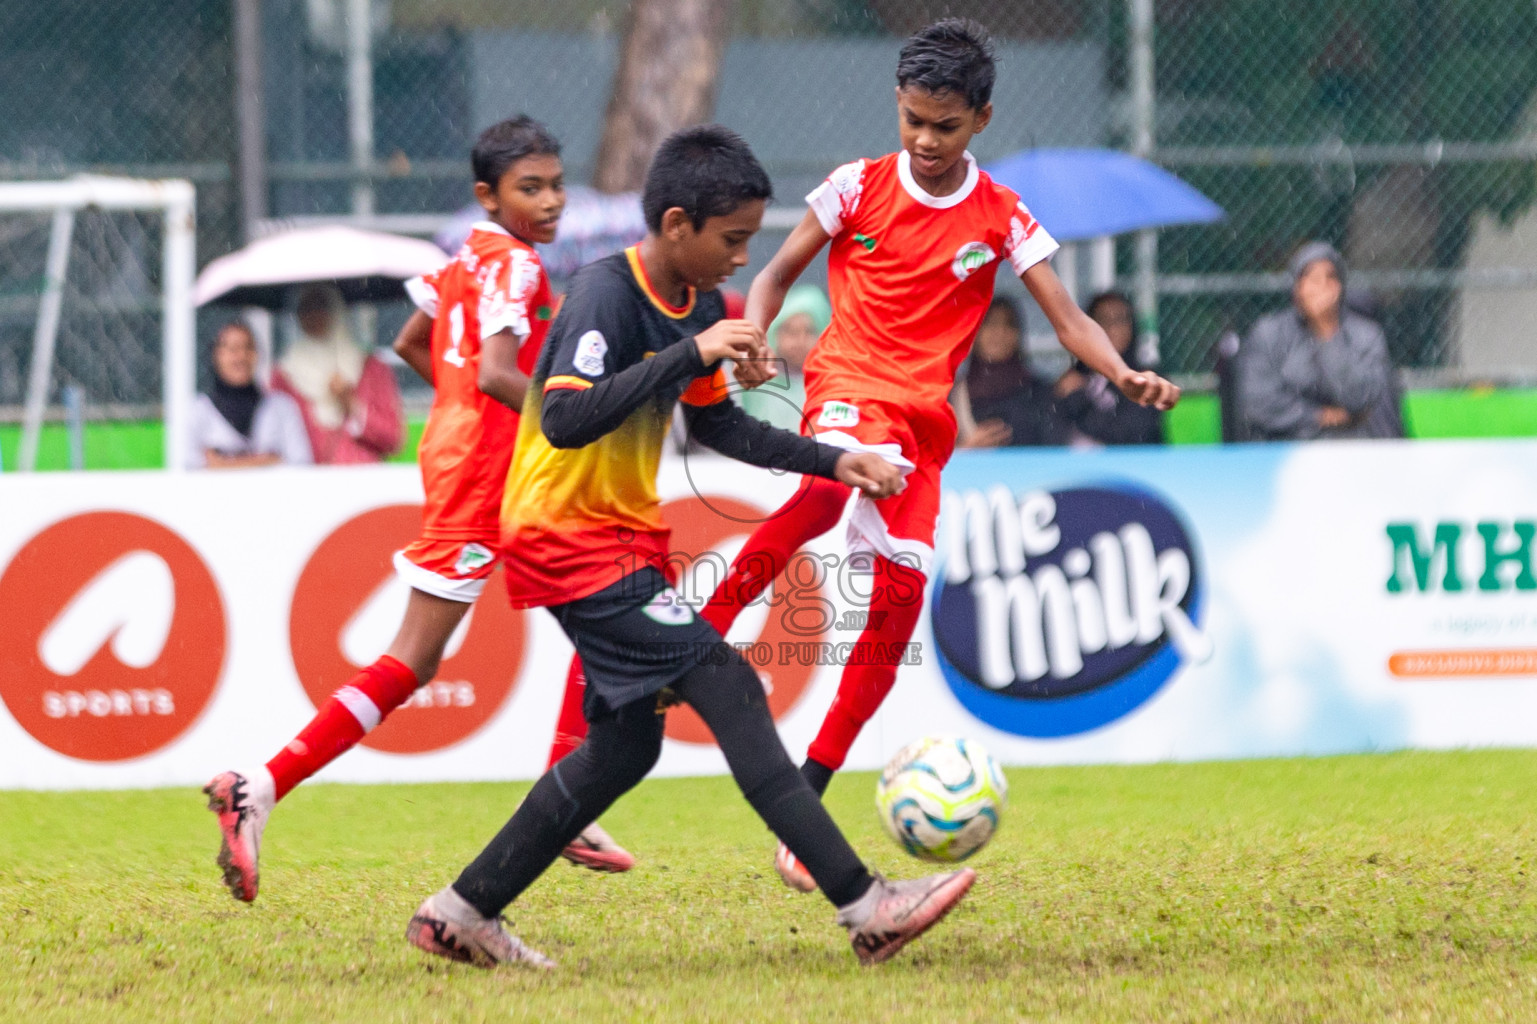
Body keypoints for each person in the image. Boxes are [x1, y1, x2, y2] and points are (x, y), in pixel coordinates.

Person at [405, 125, 975, 970]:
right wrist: (689, 352)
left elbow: (719, 426)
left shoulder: (701, 306)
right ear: (677, 225)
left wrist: (835, 459)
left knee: (626, 745)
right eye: (733, 240)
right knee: (726, 681)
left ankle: (460, 912)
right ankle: (865, 905)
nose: (744, 260)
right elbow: (560, 419)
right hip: (565, 540)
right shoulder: (604, 295)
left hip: (618, 539)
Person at [712, 19, 1181, 892]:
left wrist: (1121, 371)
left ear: (981, 119)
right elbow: (774, 274)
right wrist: (755, 334)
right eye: (912, 121)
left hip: (926, 427)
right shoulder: (855, 187)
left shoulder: (999, 216)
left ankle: (806, 797)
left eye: (945, 126)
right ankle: (700, 631)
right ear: (897, 105)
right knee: (826, 485)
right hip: (849, 386)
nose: (925, 142)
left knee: (894, 616)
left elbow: (1066, 318)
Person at [203, 116, 630, 905]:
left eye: (555, 185)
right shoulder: (517, 270)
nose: (549, 201)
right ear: (487, 194)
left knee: (602, 596)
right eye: (528, 188)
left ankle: (260, 789)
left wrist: (466, 404)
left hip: (468, 463)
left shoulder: (464, 256)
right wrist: (580, 415)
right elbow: (501, 371)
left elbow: (410, 344)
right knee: (430, 654)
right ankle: (258, 786)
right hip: (488, 477)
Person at [1237, 240, 1401, 440]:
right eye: (1313, 279)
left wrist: (1327, 331)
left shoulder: (1366, 334)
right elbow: (1258, 401)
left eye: (1330, 278)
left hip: (1352, 446)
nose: (1322, 287)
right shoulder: (1270, 332)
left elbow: (1362, 399)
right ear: (1297, 287)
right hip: (1287, 445)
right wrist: (1319, 417)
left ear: (1341, 286)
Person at [271, 283, 404, 463]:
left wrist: (350, 405)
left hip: (364, 483)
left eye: (321, 306)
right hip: (307, 486)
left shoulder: (370, 367)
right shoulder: (284, 376)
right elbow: (275, 442)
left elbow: (393, 440)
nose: (314, 315)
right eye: (306, 308)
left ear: (336, 309)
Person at [186, 322, 312, 468]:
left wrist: (223, 463)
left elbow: (301, 464)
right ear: (216, 355)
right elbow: (187, 470)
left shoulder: (281, 407)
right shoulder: (196, 411)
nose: (242, 356)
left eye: (248, 348)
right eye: (233, 349)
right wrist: (268, 460)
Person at [1053, 291, 1165, 446]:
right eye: (1103, 320)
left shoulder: (1146, 379)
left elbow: (1129, 436)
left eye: (1120, 320)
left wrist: (1079, 399)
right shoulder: (1076, 374)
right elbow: (1052, 431)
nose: (1112, 327)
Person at [952, 295, 1065, 448]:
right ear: (976, 331)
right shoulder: (955, 393)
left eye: (1009, 325)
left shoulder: (1039, 391)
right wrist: (968, 449)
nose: (1000, 332)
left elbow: (1053, 448)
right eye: (990, 323)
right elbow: (934, 458)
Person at [737, 283, 830, 431]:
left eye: (810, 331)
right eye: (789, 331)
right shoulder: (757, 379)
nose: (800, 341)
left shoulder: (830, 385)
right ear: (773, 333)